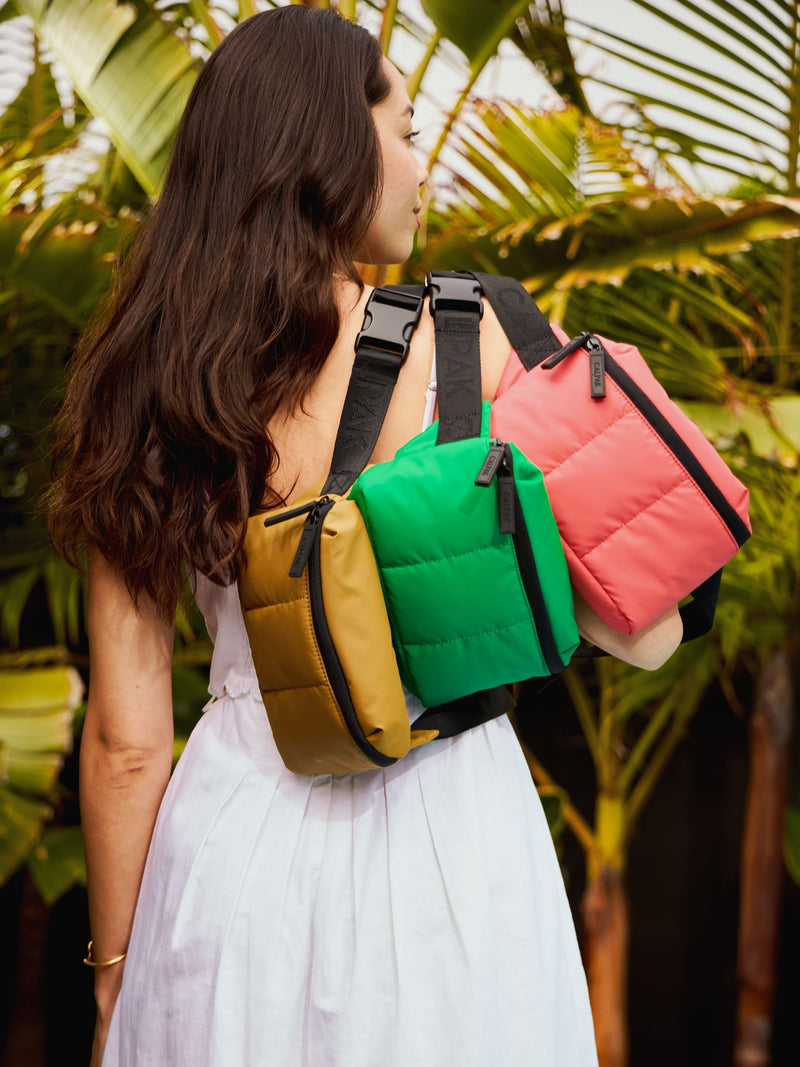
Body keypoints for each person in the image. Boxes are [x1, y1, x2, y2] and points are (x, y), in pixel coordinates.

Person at [48, 8, 682, 1066]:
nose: (418, 160)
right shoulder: (474, 342)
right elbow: (643, 629)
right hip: (448, 845)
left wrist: (117, 978)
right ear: (332, 149)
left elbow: (125, 743)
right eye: (404, 128)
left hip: (231, 851)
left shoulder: (143, 380)